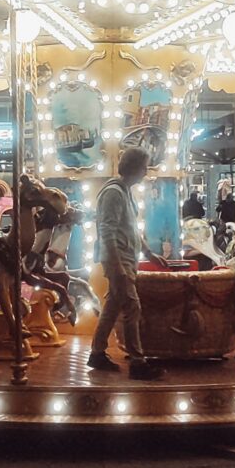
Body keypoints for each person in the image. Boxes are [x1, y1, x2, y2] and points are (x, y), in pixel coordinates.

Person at [88, 146, 163, 380]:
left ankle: (97, 352)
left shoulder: (125, 192)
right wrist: (117, 265)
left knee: (112, 307)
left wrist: (149, 253)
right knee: (133, 307)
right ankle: (138, 363)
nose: (145, 173)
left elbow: (129, 228)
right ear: (134, 168)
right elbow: (107, 231)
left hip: (125, 259)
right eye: (144, 168)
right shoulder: (114, 192)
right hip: (119, 260)